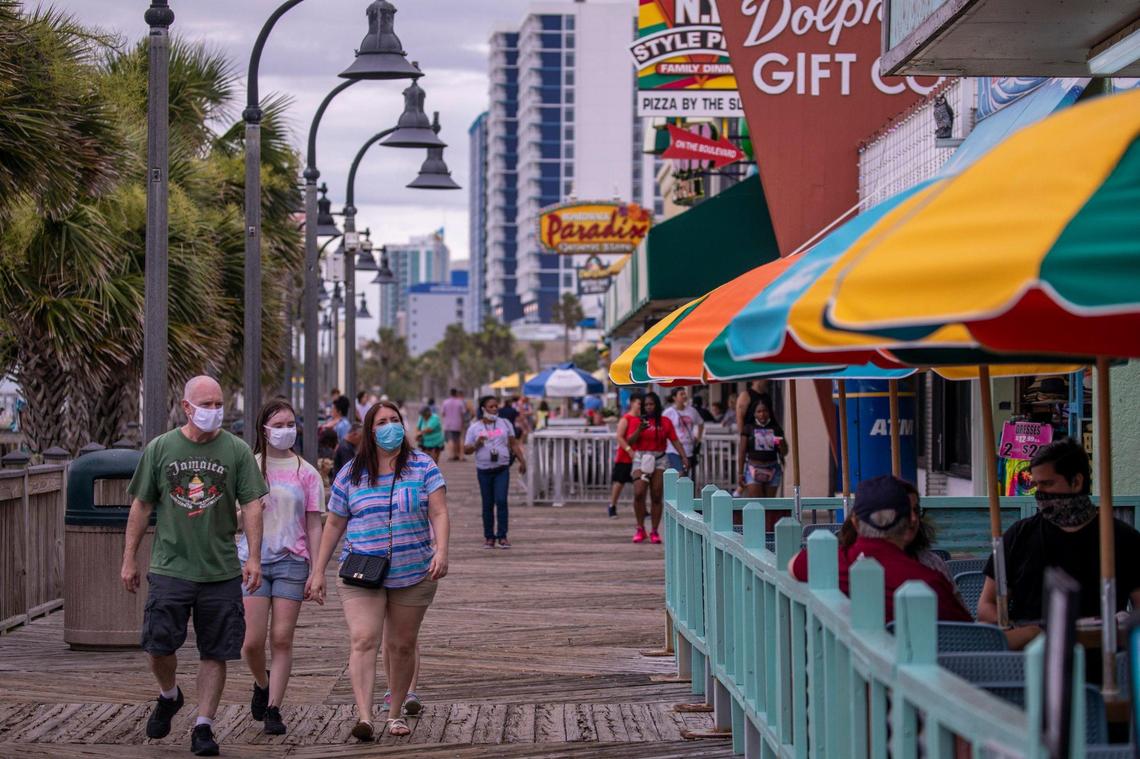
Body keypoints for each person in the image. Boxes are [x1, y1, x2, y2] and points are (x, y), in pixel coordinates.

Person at [120, 375, 268, 756]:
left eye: (219, 404)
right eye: (206, 404)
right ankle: (169, 695)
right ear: (187, 407)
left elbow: (252, 504)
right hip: (170, 566)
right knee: (157, 645)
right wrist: (129, 560)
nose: (214, 411)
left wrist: (253, 556)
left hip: (220, 570)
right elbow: (141, 505)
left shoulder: (235, 451)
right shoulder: (161, 448)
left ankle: (204, 726)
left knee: (215, 652)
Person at [306, 401, 451, 741]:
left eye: (395, 420)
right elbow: (334, 523)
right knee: (363, 639)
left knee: (401, 645)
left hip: (413, 571)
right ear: (370, 430)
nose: (390, 426)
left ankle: (396, 711)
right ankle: (365, 716)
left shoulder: (423, 467)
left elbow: (440, 513)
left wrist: (441, 550)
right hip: (361, 572)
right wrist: (317, 571)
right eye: (382, 421)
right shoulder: (351, 473)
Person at [977, 438, 1140, 649]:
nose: (1040, 494)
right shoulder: (1019, 535)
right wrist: (1022, 633)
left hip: (1100, 657)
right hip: (1028, 657)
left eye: (1048, 484)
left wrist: (1116, 632)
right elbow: (987, 604)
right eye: (1037, 485)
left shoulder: (1122, 539)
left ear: (1076, 482)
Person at [239, 399, 324, 736]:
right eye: (279, 425)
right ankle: (261, 683)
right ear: (264, 429)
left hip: (293, 561)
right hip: (254, 561)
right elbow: (233, 517)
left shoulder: (307, 472)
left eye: (291, 424)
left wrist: (317, 571)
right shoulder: (248, 466)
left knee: (282, 638)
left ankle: (273, 707)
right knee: (251, 642)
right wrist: (249, 509)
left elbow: (315, 523)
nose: (286, 430)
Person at [789, 475, 972, 623]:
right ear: (909, 520)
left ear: (854, 521)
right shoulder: (929, 581)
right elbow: (967, 635)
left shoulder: (829, 565)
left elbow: (793, 564)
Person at [616, 391, 687, 545]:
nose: (648, 407)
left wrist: (684, 457)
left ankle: (654, 530)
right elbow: (630, 441)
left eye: (651, 404)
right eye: (645, 405)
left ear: (657, 405)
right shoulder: (636, 421)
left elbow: (675, 441)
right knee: (639, 493)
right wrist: (640, 429)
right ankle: (640, 528)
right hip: (641, 458)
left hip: (660, 459)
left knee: (656, 495)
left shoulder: (665, 422)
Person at [465, 396, 528, 549]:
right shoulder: (474, 427)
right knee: (487, 503)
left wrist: (522, 460)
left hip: (502, 469)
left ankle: (502, 536)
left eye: (496, 406)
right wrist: (476, 444)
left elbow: (513, 443)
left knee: (501, 501)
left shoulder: (505, 423)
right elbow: (466, 450)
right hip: (484, 470)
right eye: (491, 407)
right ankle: (489, 537)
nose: (495, 409)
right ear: (483, 409)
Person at [739, 395, 788, 499]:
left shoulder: (775, 429)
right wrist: (740, 473)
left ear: (769, 412)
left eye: (765, 411)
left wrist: (779, 442)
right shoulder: (748, 428)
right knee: (758, 502)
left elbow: (784, 451)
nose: (762, 414)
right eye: (759, 411)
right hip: (754, 468)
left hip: (772, 468)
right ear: (754, 413)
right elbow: (742, 451)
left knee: (769, 504)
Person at [608, 392, 643, 519]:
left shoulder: (642, 419)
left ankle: (641, 509)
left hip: (639, 457)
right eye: (639, 403)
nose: (640, 406)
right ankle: (612, 505)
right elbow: (619, 437)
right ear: (632, 403)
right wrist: (629, 450)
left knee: (640, 484)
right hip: (624, 457)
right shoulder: (626, 418)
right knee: (619, 483)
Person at [663, 388, 703, 476]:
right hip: (673, 448)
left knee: (685, 473)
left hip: (689, 448)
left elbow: (700, 423)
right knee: (679, 472)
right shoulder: (668, 413)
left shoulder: (692, 411)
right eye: (681, 394)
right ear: (674, 397)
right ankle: (675, 489)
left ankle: (680, 489)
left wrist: (698, 437)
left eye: (685, 394)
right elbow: (663, 428)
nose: (684, 396)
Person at [440, 388, 466, 462]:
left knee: (450, 440)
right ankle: (458, 455)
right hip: (458, 423)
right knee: (458, 439)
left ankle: (451, 455)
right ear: (456, 393)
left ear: (450, 393)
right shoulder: (460, 402)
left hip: (448, 424)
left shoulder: (445, 402)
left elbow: (443, 413)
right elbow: (463, 413)